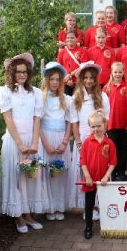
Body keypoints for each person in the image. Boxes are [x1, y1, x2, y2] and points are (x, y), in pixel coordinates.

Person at [0, 53, 47, 234]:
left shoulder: (34, 92)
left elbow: (37, 119)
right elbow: (9, 120)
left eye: (25, 72)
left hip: (31, 141)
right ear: (12, 73)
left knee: (30, 179)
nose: (21, 75)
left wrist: (34, 143)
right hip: (14, 142)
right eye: (18, 72)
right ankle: (18, 216)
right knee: (16, 179)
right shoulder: (4, 92)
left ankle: (28, 214)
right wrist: (20, 145)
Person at [38, 62, 78, 221]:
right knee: (48, 172)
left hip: (62, 136)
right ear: (46, 80)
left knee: (60, 172)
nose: (54, 82)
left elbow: (69, 121)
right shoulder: (40, 98)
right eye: (51, 79)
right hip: (46, 137)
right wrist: (46, 144)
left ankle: (59, 206)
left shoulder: (67, 100)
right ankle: (49, 207)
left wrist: (65, 141)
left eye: (57, 79)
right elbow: (37, 122)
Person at [80, 112, 116, 239]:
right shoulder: (87, 142)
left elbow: (113, 162)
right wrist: (87, 176)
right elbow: (83, 161)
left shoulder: (109, 143)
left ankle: (107, 226)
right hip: (90, 179)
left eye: (98, 126)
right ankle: (88, 227)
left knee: (105, 204)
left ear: (104, 125)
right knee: (89, 205)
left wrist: (106, 176)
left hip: (103, 180)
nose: (96, 129)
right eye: (93, 126)